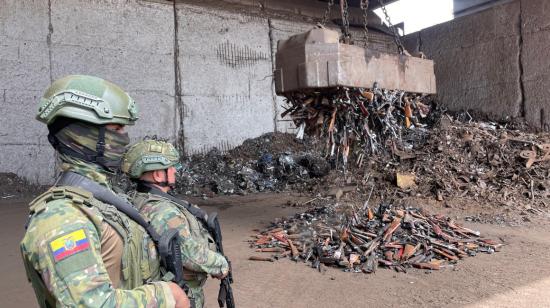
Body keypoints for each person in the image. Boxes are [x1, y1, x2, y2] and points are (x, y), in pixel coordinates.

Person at [20, 75, 189, 307]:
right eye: (117, 128)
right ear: (83, 135)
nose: (124, 137)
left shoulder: (104, 199)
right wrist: (168, 295)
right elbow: (92, 303)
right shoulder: (62, 218)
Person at [121, 140, 230, 308]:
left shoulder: (137, 199)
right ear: (158, 174)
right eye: (171, 167)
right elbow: (189, 253)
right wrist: (221, 264)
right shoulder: (162, 211)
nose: (175, 171)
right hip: (180, 294)